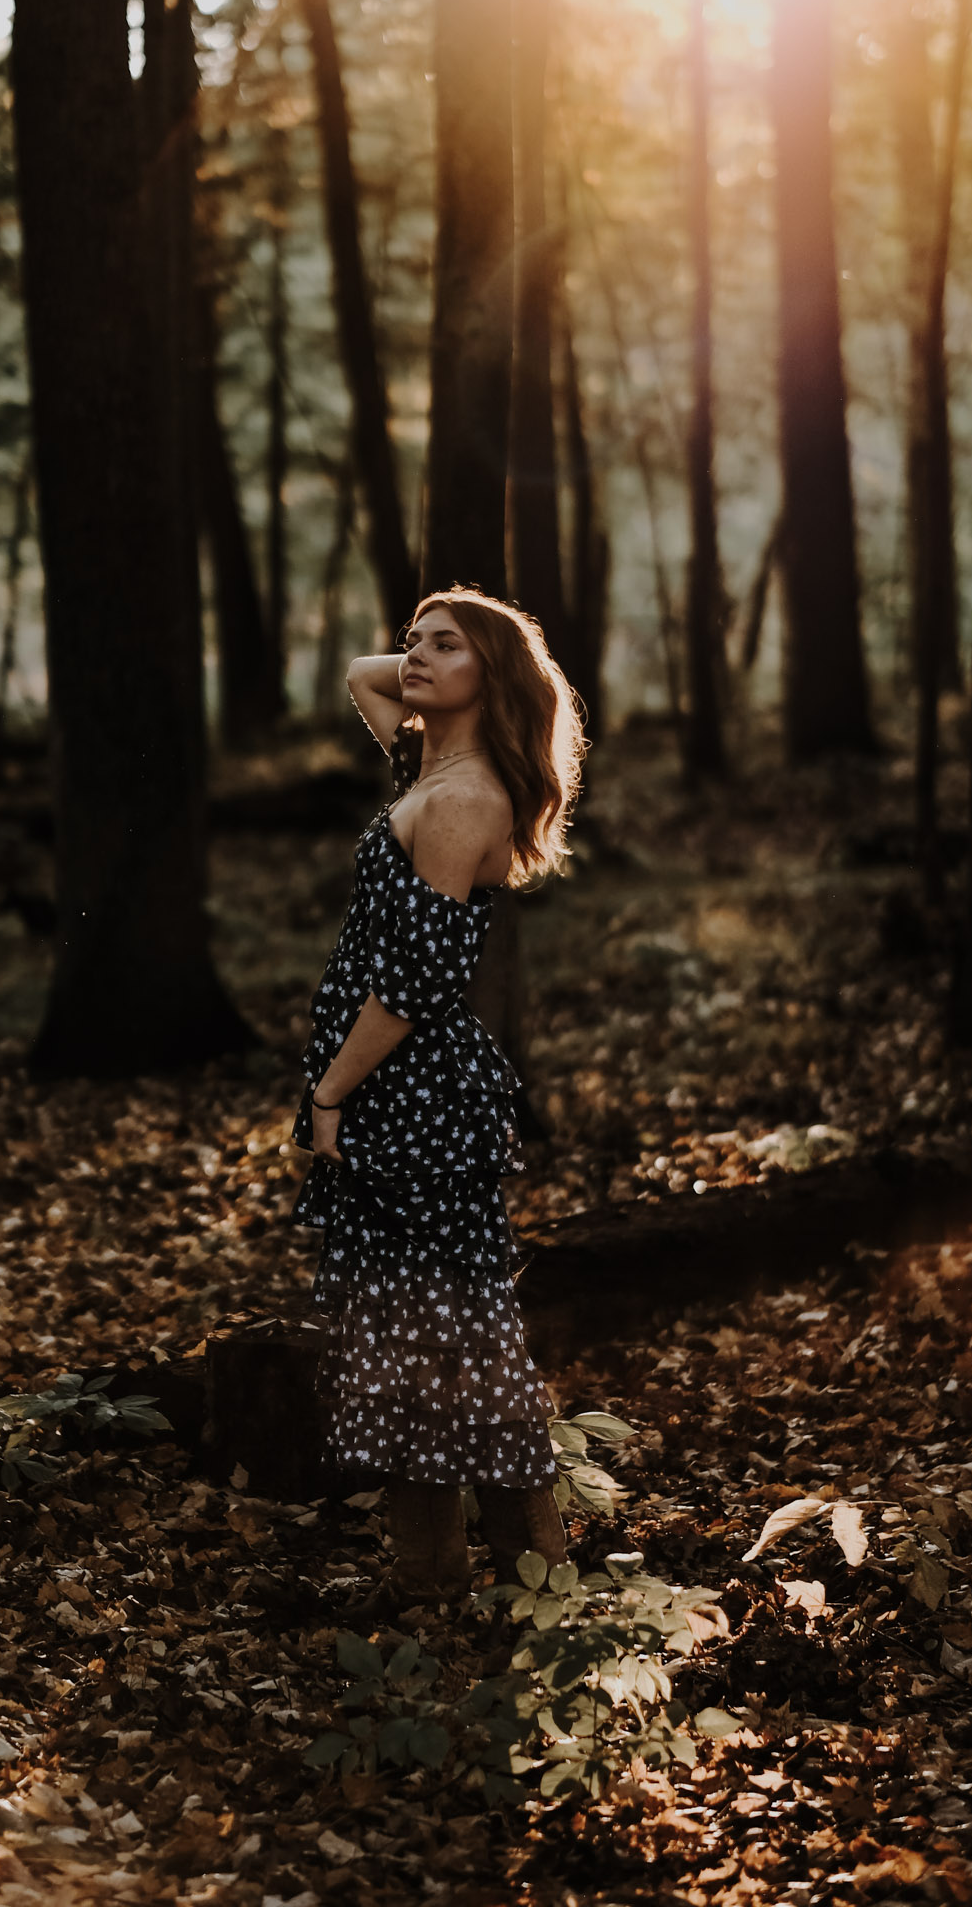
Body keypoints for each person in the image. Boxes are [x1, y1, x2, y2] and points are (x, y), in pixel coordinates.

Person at [290, 586, 586, 1604]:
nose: (411, 655)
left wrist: (330, 1092)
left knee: (457, 1333)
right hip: (394, 1093)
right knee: (405, 1335)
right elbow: (360, 675)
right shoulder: (429, 766)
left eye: (442, 644)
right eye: (411, 639)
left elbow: (420, 980)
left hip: (412, 1099)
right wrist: (443, 649)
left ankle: (539, 1578)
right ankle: (430, 1574)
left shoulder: (462, 799)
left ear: (489, 673)